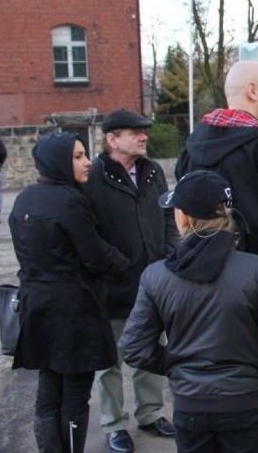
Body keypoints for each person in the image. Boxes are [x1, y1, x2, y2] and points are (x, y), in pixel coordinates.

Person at [120, 170, 258, 453]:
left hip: (190, 405)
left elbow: (133, 347)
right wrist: (255, 372)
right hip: (246, 403)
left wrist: (176, 367)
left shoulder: (155, 277)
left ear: (182, 217)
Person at [175, 60, 258, 447]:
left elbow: (181, 209)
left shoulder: (194, 144)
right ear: (252, 91)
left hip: (199, 281)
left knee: (212, 368)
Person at [9, 132, 132, 452]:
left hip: (37, 307)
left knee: (48, 389)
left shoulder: (25, 198)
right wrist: (127, 263)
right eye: (78, 156)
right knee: (76, 392)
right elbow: (94, 256)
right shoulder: (70, 201)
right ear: (59, 162)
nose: (87, 161)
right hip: (73, 311)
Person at [84, 109, 178, 453]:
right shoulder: (93, 176)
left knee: (151, 351)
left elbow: (168, 213)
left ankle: (151, 413)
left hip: (153, 281)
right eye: (135, 132)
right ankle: (114, 424)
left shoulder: (153, 171)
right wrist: (117, 264)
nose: (144, 137)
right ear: (112, 139)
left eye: (145, 132)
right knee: (109, 359)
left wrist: (169, 255)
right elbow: (87, 232)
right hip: (111, 285)